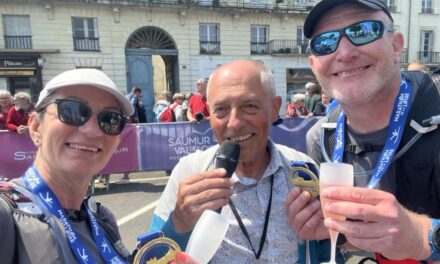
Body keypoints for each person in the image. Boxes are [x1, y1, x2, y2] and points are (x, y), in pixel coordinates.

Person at [285, 0, 440, 263]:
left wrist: (423, 238)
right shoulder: (323, 137)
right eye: (326, 42)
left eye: (363, 31)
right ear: (314, 64)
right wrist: (332, 229)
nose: (344, 52)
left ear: (396, 45)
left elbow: (418, 239)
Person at [151, 60, 327, 263]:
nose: (234, 123)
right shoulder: (189, 171)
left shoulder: (303, 168)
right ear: (209, 113)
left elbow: (328, 251)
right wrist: (178, 224)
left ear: (274, 108)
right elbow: (151, 256)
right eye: (221, 109)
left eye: (249, 106)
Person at [0, 68, 133, 263]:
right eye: (71, 110)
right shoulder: (6, 215)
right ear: (36, 127)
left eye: (110, 119)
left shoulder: (102, 218)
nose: (92, 130)